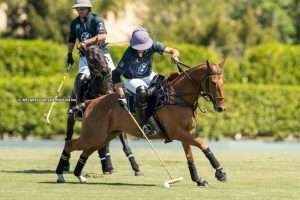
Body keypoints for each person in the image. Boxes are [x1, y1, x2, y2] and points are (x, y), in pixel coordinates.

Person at [112, 27, 180, 134]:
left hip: (148, 75)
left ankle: (162, 115)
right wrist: (120, 94)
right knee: (142, 91)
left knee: (164, 84)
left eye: (143, 47)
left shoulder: (153, 45)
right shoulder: (129, 54)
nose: (141, 49)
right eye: (139, 47)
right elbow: (115, 74)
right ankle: (144, 124)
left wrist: (175, 56)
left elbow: (172, 50)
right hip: (131, 79)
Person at [67, 0, 115, 110]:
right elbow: (71, 40)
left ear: (88, 9)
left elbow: (102, 36)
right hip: (85, 57)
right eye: (78, 9)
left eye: (82, 9)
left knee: (115, 76)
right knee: (81, 78)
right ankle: (79, 108)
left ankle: (124, 103)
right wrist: (69, 55)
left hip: (101, 54)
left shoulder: (96, 19)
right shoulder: (75, 23)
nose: (80, 11)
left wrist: (85, 43)